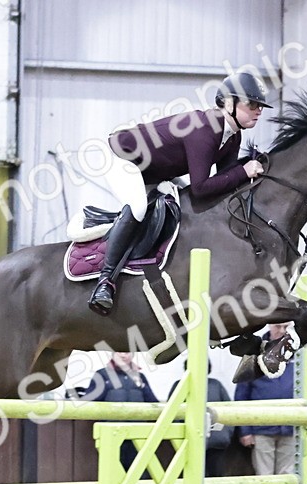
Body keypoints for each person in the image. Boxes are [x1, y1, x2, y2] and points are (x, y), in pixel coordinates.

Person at [88, 71, 271, 315]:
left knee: (181, 206)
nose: (258, 110)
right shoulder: (205, 129)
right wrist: (244, 170)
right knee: (139, 206)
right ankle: (105, 282)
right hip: (121, 157)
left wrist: (253, 167)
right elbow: (201, 188)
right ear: (228, 103)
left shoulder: (232, 135)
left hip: (153, 172)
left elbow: (225, 181)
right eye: (252, 104)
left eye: (260, 106)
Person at [83, 352, 159, 484]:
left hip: (137, 441)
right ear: (113, 353)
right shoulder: (101, 376)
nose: (124, 355)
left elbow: (153, 404)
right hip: (112, 442)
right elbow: (88, 403)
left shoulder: (140, 377)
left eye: (128, 352)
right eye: (121, 351)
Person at [234, 323, 296, 484]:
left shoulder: (297, 351)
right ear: (270, 325)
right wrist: (245, 429)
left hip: (290, 426)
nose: (282, 330)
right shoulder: (254, 349)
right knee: (265, 481)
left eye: (286, 326)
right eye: (279, 326)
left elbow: (306, 384)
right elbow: (242, 391)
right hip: (261, 428)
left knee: (287, 479)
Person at [170, 360, 234, 484]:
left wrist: (219, 432)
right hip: (190, 446)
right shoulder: (180, 386)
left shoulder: (216, 386)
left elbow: (226, 412)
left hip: (215, 447)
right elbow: (174, 413)